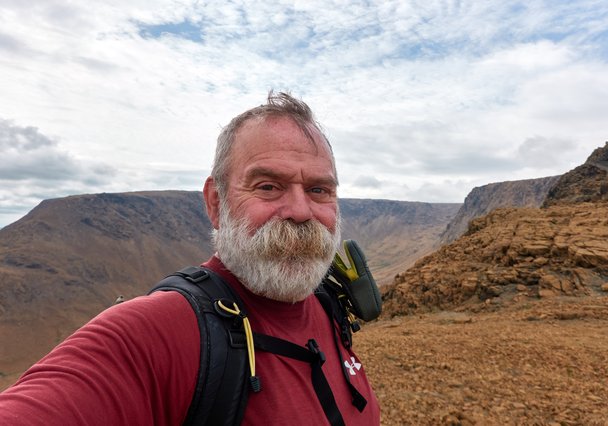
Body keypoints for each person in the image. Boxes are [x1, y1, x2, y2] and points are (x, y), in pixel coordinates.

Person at [0, 92, 381, 425]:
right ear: (216, 203)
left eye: (319, 190)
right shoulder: (153, 334)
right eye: (268, 186)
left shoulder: (331, 304)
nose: (301, 211)